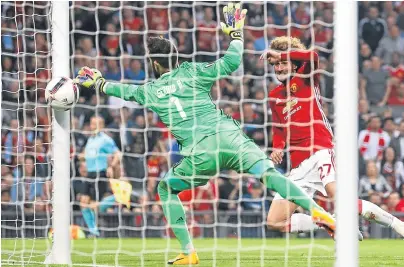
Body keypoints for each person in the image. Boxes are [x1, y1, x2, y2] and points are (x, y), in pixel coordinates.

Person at [75, 4, 335, 265]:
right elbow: (232, 62)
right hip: (229, 138)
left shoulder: (150, 91)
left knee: (166, 188)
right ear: (176, 59)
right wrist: (235, 35)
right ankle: (318, 212)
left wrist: (99, 83)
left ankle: (189, 252)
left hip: (199, 153)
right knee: (269, 175)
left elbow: (125, 92)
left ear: (154, 63)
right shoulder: (192, 71)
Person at [261, 36, 404, 252]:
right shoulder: (274, 95)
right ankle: (331, 222)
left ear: (293, 62)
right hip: (297, 165)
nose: (279, 67)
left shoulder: (306, 76)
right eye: (275, 64)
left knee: (344, 202)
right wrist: (277, 146)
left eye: (283, 62)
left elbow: (312, 55)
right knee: (274, 222)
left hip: (320, 150)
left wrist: (281, 53)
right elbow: (278, 127)